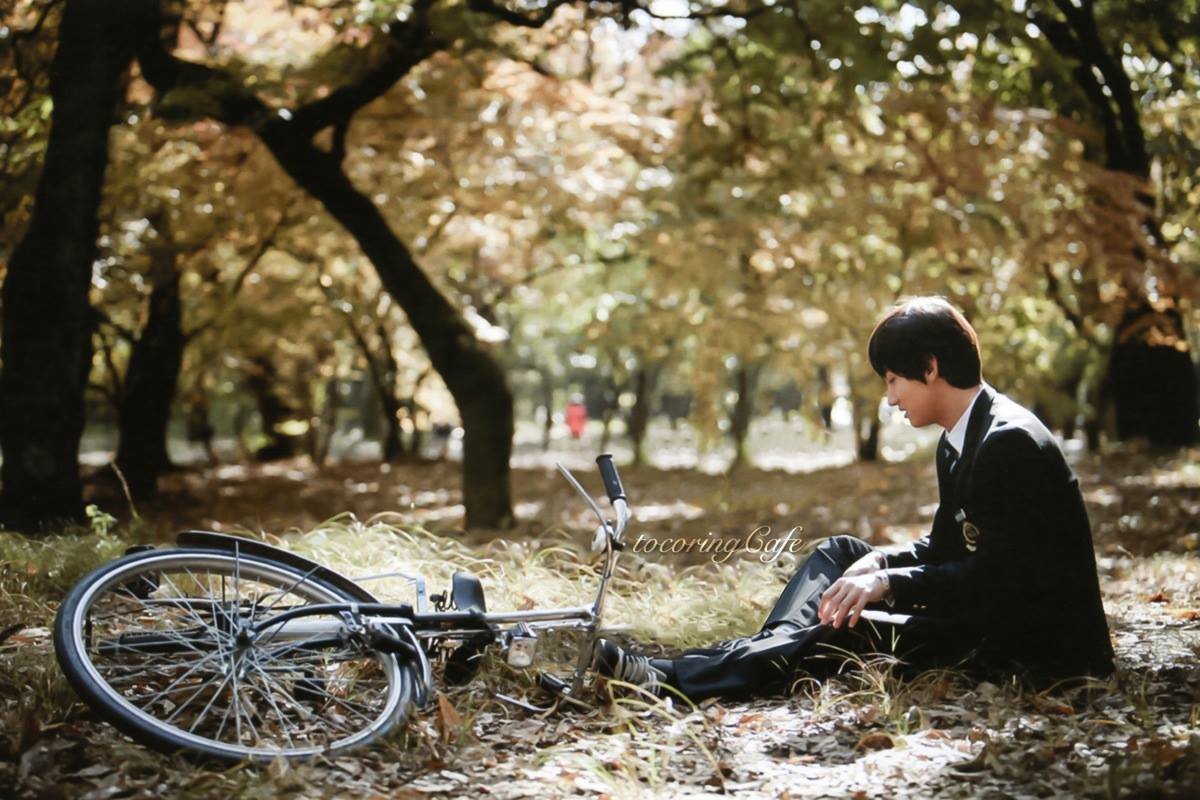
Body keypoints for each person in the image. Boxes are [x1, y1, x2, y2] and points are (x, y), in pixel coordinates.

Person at [594, 296, 1114, 700]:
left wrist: (887, 584)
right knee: (840, 552)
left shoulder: (1008, 442)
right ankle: (757, 654)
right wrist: (880, 562)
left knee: (849, 625)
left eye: (893, 380)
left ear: (930, 368)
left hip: (1029, 648)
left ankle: (670, 681)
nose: (890, 399)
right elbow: (945, 548)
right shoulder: (961, 438)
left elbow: (997, 580)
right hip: (983, 610)